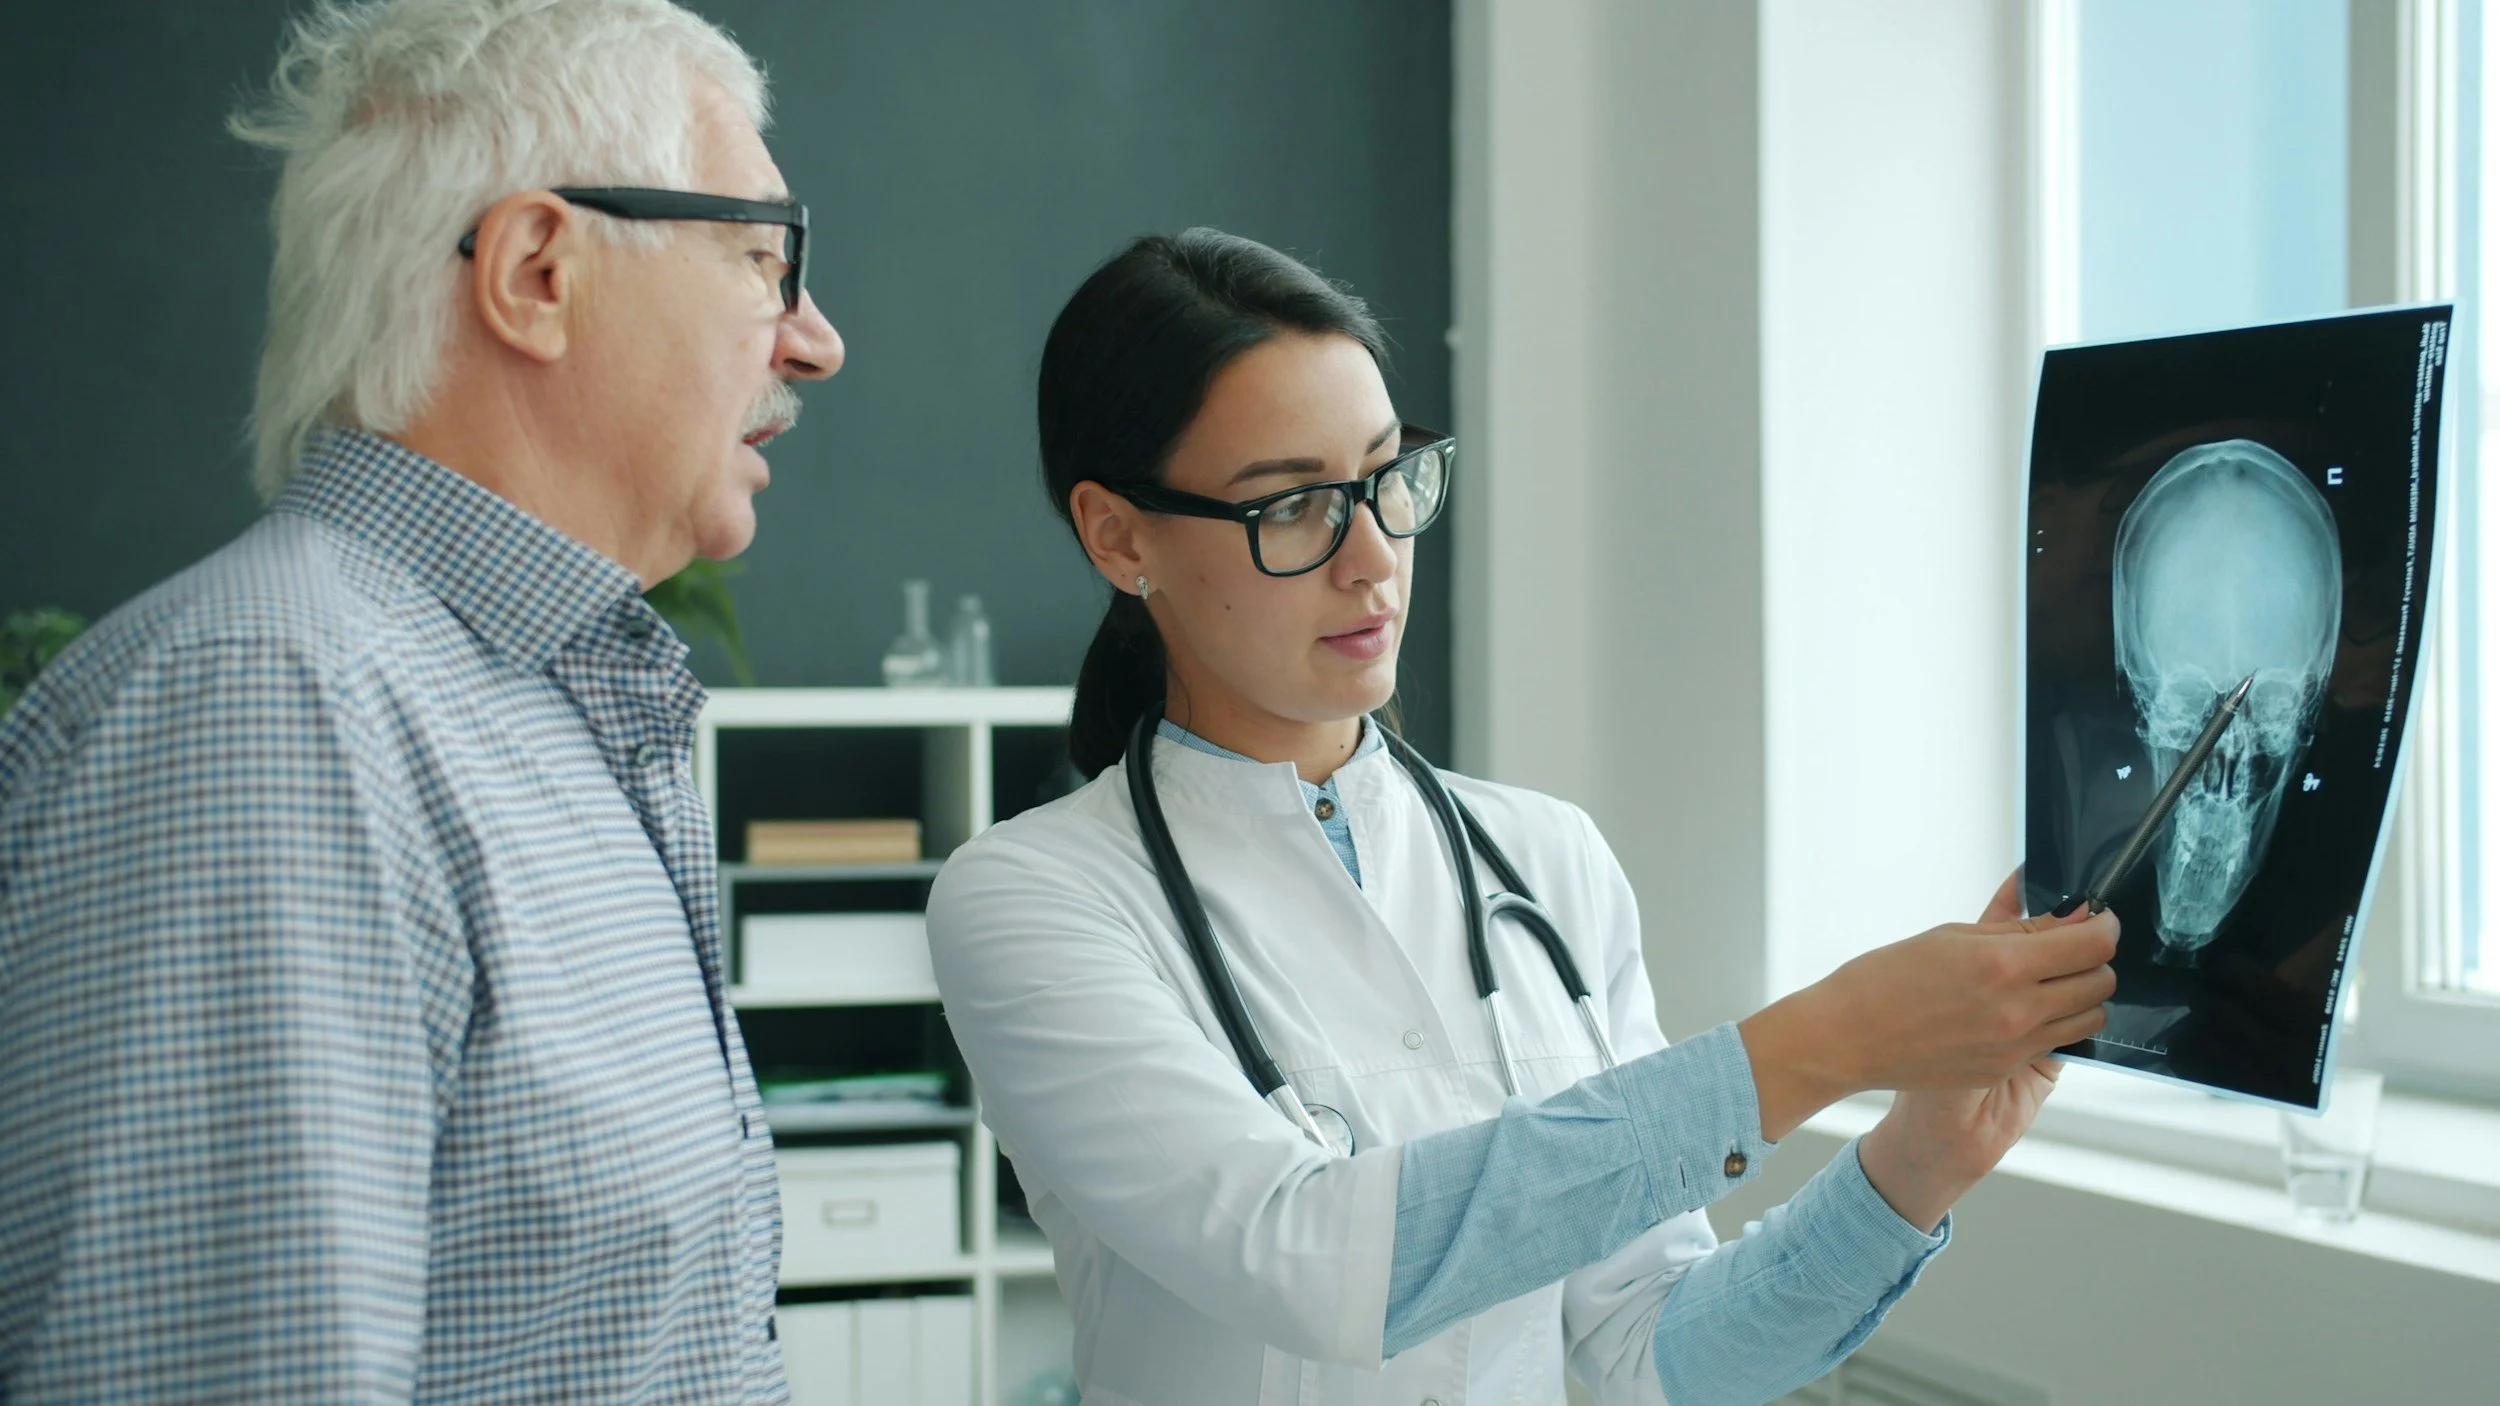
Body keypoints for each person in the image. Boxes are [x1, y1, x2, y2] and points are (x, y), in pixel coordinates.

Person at [924, 228, 2118, 1406]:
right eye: (1289, 506)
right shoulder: (1032, 898)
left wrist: (1921, 1156)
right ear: (1118, 534)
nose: (1372, 556)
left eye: (1387, 478)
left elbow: (1659, 1351)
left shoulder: (1546, 858)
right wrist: (1832, 1037)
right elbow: (1311, 1258)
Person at [0, 0, 840, 1397]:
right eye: (764, 257)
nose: (812, 340)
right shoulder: (269, 717)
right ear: (535, 271)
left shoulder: (528, 708)